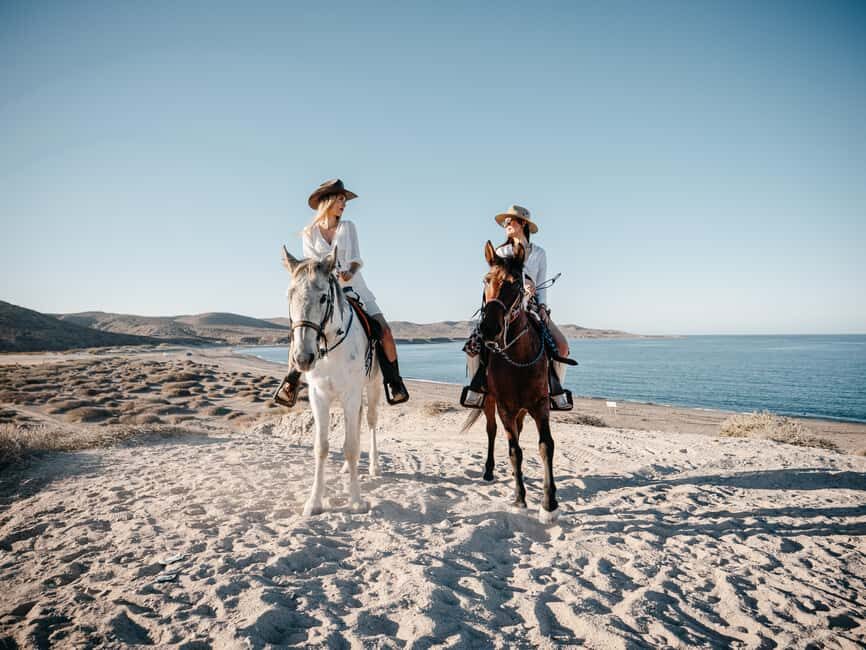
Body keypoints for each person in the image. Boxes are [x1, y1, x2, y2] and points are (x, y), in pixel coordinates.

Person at [274, 178, 409, 406]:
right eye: (340, 199)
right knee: (302, 327)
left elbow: (356, 259)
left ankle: (393, 381)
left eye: (344, 200)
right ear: (328, 201)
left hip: (355, 287)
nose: (343, 204)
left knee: (384, 332)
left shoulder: (348, 227)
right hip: (324, 291)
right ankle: (292, 380)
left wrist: (349, 272)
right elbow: (312, 267)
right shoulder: (309, 233)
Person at [462, 204, 572, 410]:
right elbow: (498, 278)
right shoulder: (500, 251)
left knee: (562, 346)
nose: (506, 224)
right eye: (505, 222)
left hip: (531, 306)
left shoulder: (540, 253)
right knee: (473, 345)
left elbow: (541, 284)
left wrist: (542, 307)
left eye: (510, 221)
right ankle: (477, 387)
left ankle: (555, 390)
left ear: (523, 224)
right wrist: (522, 282)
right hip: (504, 305)